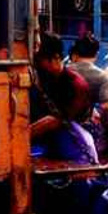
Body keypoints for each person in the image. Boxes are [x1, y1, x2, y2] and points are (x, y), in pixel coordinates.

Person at [31, 33, 98, 164]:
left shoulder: (75, 85)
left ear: (56, 58)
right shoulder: (44, 79)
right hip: (51, 145)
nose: (37, 67)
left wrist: (20, 137)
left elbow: (55, 120)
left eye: (39, 62)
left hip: (77, 147)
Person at [67, 35, 108, 162]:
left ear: (76, 53)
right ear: (96, 54)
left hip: (60, 126)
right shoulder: (103, 77)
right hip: (85, 127)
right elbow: (107, 107)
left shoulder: (65, 71)